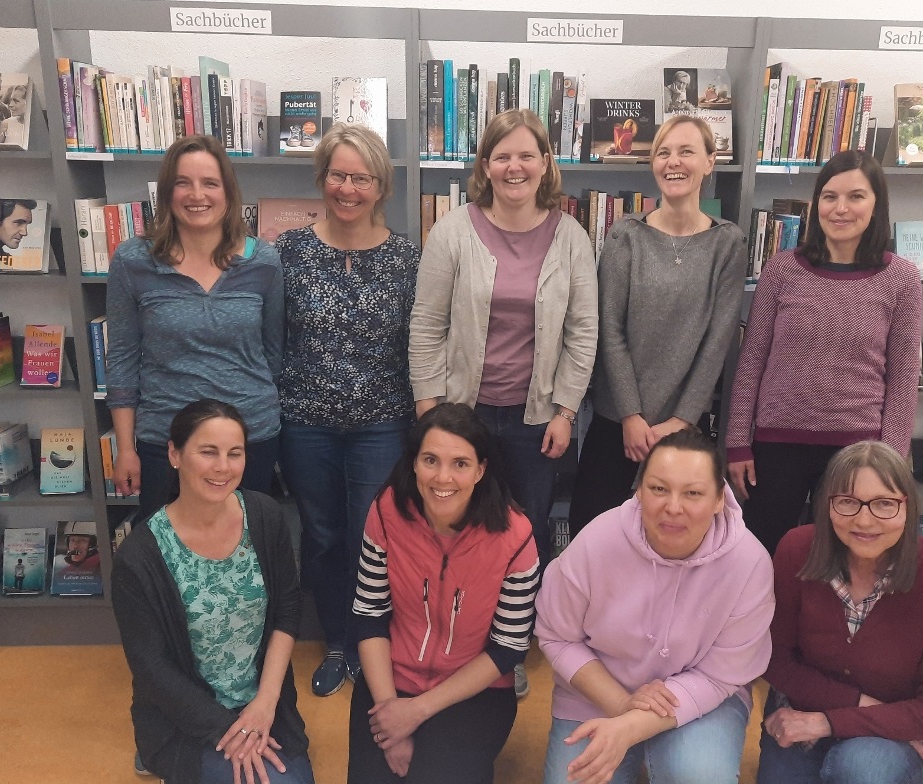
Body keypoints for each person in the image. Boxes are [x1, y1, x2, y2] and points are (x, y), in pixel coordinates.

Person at [409, 107, 597, 577]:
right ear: (486, 166)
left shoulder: (571, 238)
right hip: (461, 411)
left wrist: (565, 413)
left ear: (546, 163)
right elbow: (427, 323)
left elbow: (583, 332)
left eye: (527, 156)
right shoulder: (453, 230)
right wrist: (429, 409)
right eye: (502, 157)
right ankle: (461, 611)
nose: (515, 167)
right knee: (457, 525)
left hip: (537, 420)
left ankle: (519, 617)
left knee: (527, 530)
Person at [536, 427, 774, 784]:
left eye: (693, 493)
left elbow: (721, 674)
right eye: (659, 489)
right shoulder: (597, 540)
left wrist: (633, 725)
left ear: (719, 500)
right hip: (597, 693)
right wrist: (623, 706)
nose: (673, 508)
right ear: (639, 490)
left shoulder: (750, 563)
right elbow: (557, 636)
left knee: (698, 777)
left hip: (702, 699)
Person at [275, 122, 420, 698]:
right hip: (305, 423)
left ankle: (369, 643)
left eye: (362, 179)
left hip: (381, 424)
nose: (348, 189)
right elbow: (272, 338)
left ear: (381, 186)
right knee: (321, 535)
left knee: (371, 537)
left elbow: (419, 342)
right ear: (322, 178)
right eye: (338, 175)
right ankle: (337, 641)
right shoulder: (288, 253)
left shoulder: (407, 258)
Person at [726, 149, 922, 555]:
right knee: (762, 554)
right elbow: (752, 361)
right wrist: (738, 442)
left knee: (838, 560)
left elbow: (904, 378)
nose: (841, 208)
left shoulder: (901, 279)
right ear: (816, 204)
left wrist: (889, 459)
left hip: (857, 451)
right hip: (776, 446)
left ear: (876, 205)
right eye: (830, 196)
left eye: (856, 196)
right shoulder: (782, 270)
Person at [112, 399, 315, 784]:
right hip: (186, 720)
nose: (223, 467)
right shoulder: (139, 557)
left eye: (234, 453)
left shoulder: (265, 516)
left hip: (262, 705)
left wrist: (265, 703)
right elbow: (151, 667)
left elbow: (287, 610)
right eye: (208, 452)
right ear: (174, 454)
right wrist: (229, 731)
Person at [758, 441, 923, 784]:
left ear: (908, 507)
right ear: (827, 505)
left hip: (894, 732)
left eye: (884, 504)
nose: (863, 520)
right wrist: (859, 704)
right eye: (847, 501)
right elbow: (775, 659)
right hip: (801, 707)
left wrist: (828, 722)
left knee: (862, 769)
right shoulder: (796, 549)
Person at [568, 115, 745, 538]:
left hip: (685, 427)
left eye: (686, 151)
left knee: (673, 536)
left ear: (710, 161)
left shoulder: (728, 243)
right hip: (617, 422)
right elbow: (610, 329)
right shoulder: (625, 236)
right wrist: (631, 416)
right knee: (590, 533)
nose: (673, 162)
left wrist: (681, 420)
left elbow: (718, 339)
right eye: (664, 153)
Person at [348, 403, 540, 784]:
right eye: (430, 460)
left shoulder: (516, 537)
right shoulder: (386, 512)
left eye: (460, 464)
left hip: (474, 691)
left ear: (481, 470)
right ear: (414, 463)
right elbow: (369, 613)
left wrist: (415, 712)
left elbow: (508, 647)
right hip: (390, 678)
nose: (443, 477)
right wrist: (390, 711)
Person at [105, 135, 283, 521]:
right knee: (168, 550)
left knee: (247, 546)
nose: (196, 195)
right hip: (165, 441)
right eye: (183, 182)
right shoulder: (133, 261)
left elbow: (274, 354)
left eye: (210, 183)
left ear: (228, 192)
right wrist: (126, 447)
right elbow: (121, 359)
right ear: (167, 192)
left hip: (248, 438)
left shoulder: (264, 262)